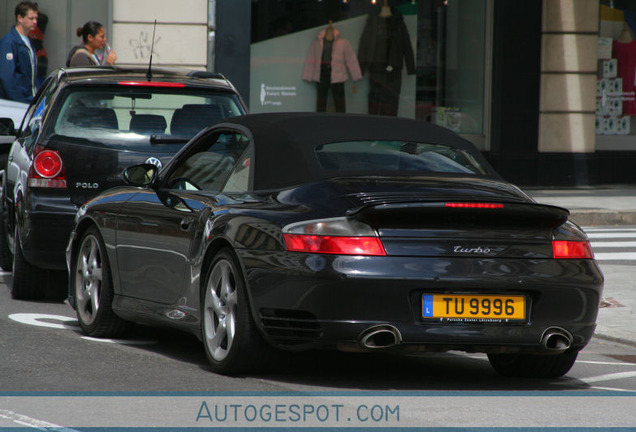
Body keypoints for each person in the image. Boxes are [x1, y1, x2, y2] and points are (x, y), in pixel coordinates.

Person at [302, 21, 362, 113]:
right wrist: (307, 76)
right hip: (321, 75)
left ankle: (341, 123)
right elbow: (311, 59)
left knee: (340, 105)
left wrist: (356, 75)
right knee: (321, 104)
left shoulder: (343, 43)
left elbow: (351, 59)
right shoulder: (317, 43)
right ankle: (320, 123)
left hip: (338, 76)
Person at [0, 1, 39, 103]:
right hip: (17, 103)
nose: (35, 21)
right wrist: (19, 100)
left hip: (29, 99)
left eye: (36, 18)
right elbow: (6, 77)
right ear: (20, 18)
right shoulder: (9, 42)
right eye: (31, 18)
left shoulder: (28, 42)